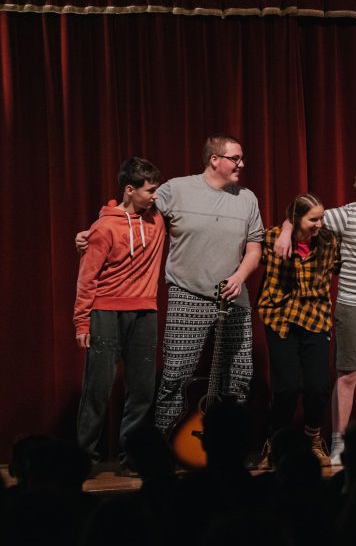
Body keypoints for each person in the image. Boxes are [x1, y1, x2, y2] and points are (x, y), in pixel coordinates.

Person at [80, 134, 265, 433]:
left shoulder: (247, 198)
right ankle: (164, 445)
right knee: (176, 377)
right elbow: (132, 212)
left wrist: (240, 277)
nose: (242, 164)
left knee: (239, 376)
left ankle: (229, 443)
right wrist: (93, 233)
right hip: (187, 295)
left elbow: (254, 249)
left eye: (241, 158)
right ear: (214, 160)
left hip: (233, 298)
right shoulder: (177, 189)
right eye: (235, 158)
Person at [277, 167, 356, 465]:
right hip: (353, 308)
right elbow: (299, 215)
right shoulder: (344, 216)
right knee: (348, 376)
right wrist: (284, 231)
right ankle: (339, 442)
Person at [73, 157, 165, 467]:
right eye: (149, 190)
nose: (155, 196)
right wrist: (81, 322)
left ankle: (132, 457)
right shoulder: (104, 227)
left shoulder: (157, 219)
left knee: (142, 389)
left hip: (145, 312)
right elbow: (87, 277)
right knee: (98, 388)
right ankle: (83, 458)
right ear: (129, 189)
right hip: (106, 313)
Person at [258, 194, 340, 465]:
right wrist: (285, 231)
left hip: (315, 318)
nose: (319, 224)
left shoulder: (328, 242)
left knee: (318, 387)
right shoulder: (272, 238)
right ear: (296, 219)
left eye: (321, 218)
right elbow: (249, 252)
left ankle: (312, 438)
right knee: (287, 389)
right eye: (313, 219)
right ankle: (276, 441)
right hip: (281, 318)